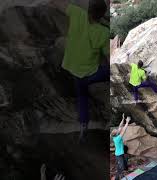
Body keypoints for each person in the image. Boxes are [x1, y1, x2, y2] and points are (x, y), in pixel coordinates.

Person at [49, 0, 109, 143]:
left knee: (82, 96)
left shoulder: (78, 14)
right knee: (108, 72)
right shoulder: (103, 32)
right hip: (90, 73)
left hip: (73, 68)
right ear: (102, 15)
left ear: (88, 10)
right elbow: (108, 57)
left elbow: (58, 3)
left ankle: (83, 125)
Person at [111, 113, 131, 180]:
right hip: (118, 155)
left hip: (121, 153)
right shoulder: (117, 138)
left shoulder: (116, 135)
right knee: (120, 167)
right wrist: (127, 122)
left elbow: (120, 126)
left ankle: (125, 170)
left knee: (125, 159)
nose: (117, 129)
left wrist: (123, 118)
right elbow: (124, 130)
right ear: (116, 133)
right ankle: (116, 178)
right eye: (116, 130)